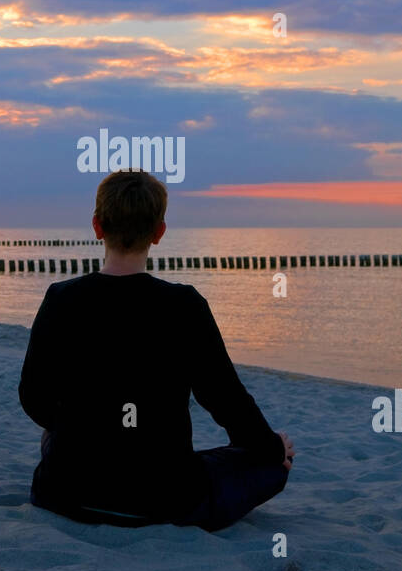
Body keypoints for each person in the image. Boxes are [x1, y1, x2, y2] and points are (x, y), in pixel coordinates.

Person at [19, 169, 293, 532]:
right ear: (159, 232)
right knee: (271, 463)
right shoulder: (184, 305)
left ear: (97, 226)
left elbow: (33, 396)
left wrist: (78, 425)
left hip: (65, 493)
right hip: (163, 500)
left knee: (55, 435)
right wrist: (273, 448)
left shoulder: (61, 298)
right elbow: (226, 400)